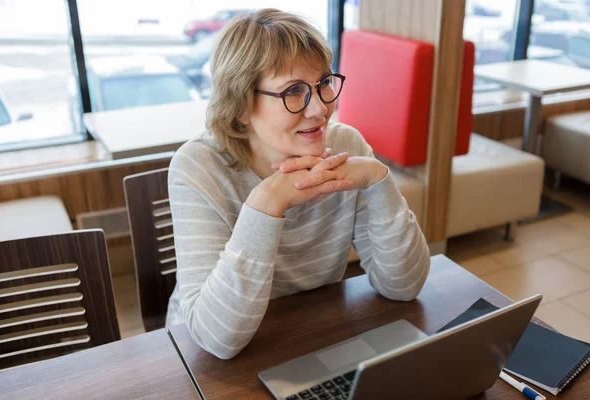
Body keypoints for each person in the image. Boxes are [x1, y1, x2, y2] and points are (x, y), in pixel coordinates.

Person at [166, 8, 430, 360]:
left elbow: (404, 286)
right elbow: (218, 340)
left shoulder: (347, 147)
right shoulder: (198, 167)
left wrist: (379, 179)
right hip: (199, 357)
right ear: (241, 106)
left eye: (323, 84)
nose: (320, 109)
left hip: (308, 334)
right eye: (293, 91)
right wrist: (266, 202)